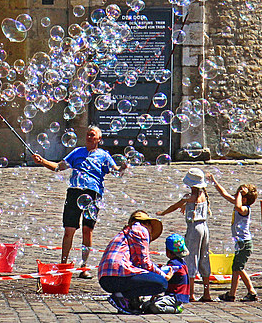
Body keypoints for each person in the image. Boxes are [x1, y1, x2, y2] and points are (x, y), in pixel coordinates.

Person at [32, 125, 124, 276]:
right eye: (88, 134)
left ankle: (83, 266)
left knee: (88, 230)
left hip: (93, 194)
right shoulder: (77, 152)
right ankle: (63, 264)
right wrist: (42, 161)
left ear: (99, 139)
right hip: (74, 192)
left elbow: (116, 173)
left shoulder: (104, 155)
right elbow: (58, 167)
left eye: (92, 135)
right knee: (69, 230)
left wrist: (122, 168)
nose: (89, 137)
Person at [97, 210, 171, 314]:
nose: (150, 233)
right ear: (147, 224)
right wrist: (163, 275)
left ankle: (126, 300)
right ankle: (122, 297)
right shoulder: (141, 229)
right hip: (117, 274)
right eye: (151, 229)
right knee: (161, 283)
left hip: (105, 279)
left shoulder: (127, 232)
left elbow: (138, 264)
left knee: (150, 278)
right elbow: (145, 262)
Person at [156, 167, 212, 301]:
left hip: (194, 228)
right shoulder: (203, 194)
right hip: (205, 228)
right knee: (204, 258)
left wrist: (163, 213)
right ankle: (206, 293)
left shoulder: (189, 197)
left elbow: (174, 206)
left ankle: (191, 294)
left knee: (191, 258)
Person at [209, 177, 259, 302]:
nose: (236, 196)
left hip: (245, 243)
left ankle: (236, 294)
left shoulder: (245, 209)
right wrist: (215, 182)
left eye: (239, 195)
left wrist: (240, 195)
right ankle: (245, 292)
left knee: (237, 268)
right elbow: (224, 194)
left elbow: (237, 207)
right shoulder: (240, 204)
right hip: (240, 243)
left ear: (244, 199)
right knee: (238, 268)